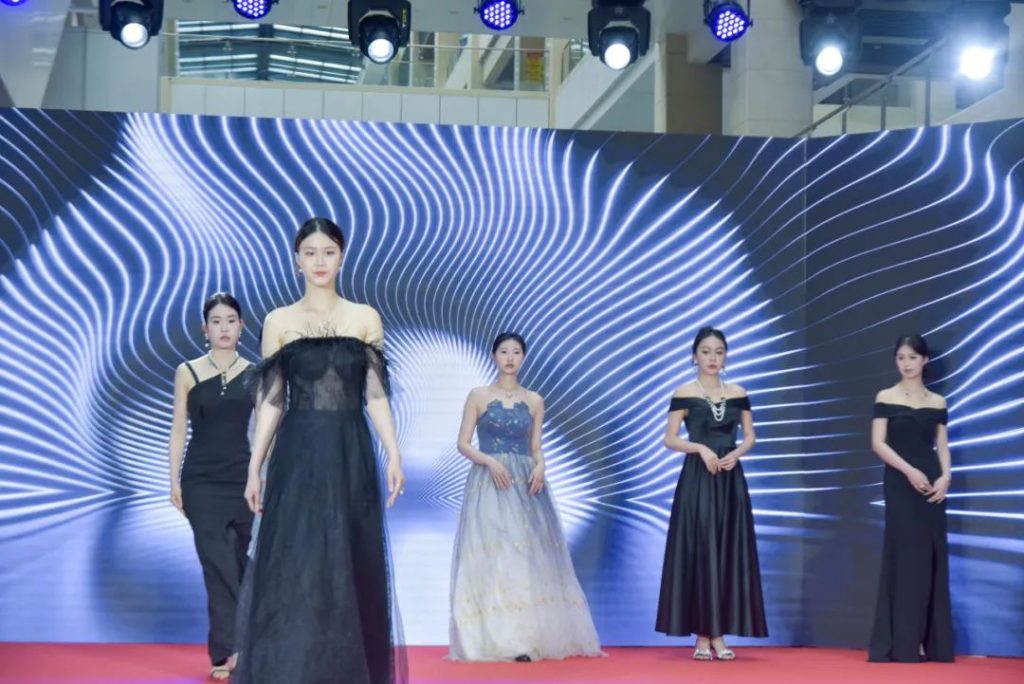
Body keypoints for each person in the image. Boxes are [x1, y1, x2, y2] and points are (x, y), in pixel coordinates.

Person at [232, 218, 406, 684]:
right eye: (309, 253)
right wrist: (255, 466)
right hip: (298, 455)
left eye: (328, 252)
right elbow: (271, 401)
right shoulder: (279, 321)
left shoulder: (365, 318)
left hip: (350, 452)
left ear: (342, 257)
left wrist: (393, 452)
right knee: (298, 561)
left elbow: (375, 394)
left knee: (351, 558)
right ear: (297, 261)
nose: (319, 261)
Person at [448, 332, 602, 662]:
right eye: (504, 351)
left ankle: (525, 639)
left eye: (516, 352)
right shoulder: (478, 395)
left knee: (525, 559)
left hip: (526, 484)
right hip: (490, 483)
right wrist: (490, 462)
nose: (510, 358)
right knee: (495, 555)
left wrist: (541, 466)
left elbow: (535, 447)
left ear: (524, 358)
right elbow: (462, 443)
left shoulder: (534, 400)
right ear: (494, 356)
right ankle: (491, 639)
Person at [657, 326, 767, 660]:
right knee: (702, 551)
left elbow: (750, 436)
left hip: (730, 480)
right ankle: (704, 636)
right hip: (698, 479)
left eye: (719, 352)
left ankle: (718, 635)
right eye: (706, 351)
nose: (712, 358)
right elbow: (669, 438)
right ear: (695, 356)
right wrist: (700, 449)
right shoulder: (684, 392)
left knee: (727, 551)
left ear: (726, 356)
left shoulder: (738, 392)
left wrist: (738, 453)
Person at [167, 292, 254, 680]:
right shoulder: (187, 371)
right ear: (205, 329)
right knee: (216, 563)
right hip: (201, 482)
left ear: (241, 326)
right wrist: (173, 480)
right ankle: (224, 651)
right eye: (216, 321)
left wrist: (263, 476)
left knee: (241, 564)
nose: (224, 328)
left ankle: (247, 641)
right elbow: (178, 429)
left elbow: (265, 431)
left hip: (243, 480)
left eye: (230, 320)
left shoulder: (256, 372)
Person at [868, 333, 953, 663]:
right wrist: (909, 471)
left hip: (932, 485)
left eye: (913, 357)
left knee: (929, 558)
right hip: (900, 482)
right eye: (901, 357)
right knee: (904, 557)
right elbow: (878, 443)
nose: (906, 363)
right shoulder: (885, 396)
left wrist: (945, 477)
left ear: (925, 360)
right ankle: (902, 640)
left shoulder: (938, 402)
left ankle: (928, 641)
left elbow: (942, 446)